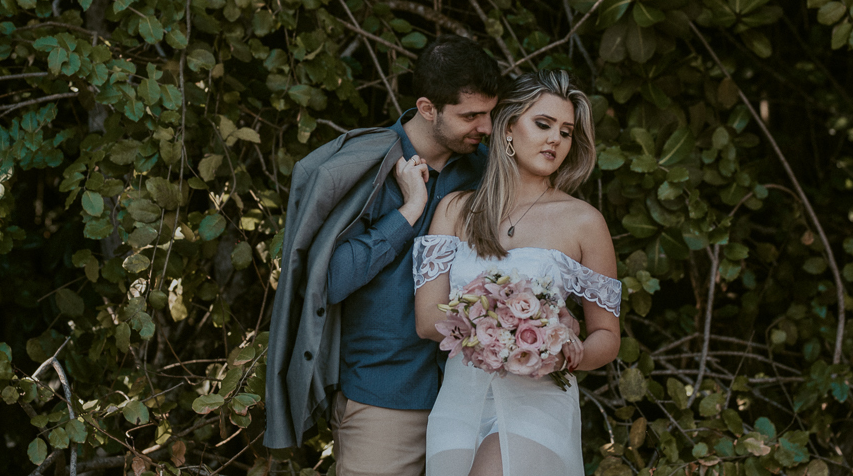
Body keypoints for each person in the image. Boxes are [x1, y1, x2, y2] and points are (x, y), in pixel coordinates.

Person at [264, 34, 501, 476]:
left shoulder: (487, 173)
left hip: (474, 397)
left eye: (490, 113)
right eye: (471, 116)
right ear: (427, 108)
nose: (486, 128)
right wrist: (409, 212)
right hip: (386, 397)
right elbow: (327, 281)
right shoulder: (363, 167)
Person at [412, 70, 621, 476]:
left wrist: (563, 353)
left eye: (566, 132)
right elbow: (427, 320)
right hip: (459, 401)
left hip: (538, 401)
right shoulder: (455, 210)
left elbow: (607, 337)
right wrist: (497, 328)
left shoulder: (584, 221)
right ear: (508, 128)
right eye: (543, 124)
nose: (555, 139)